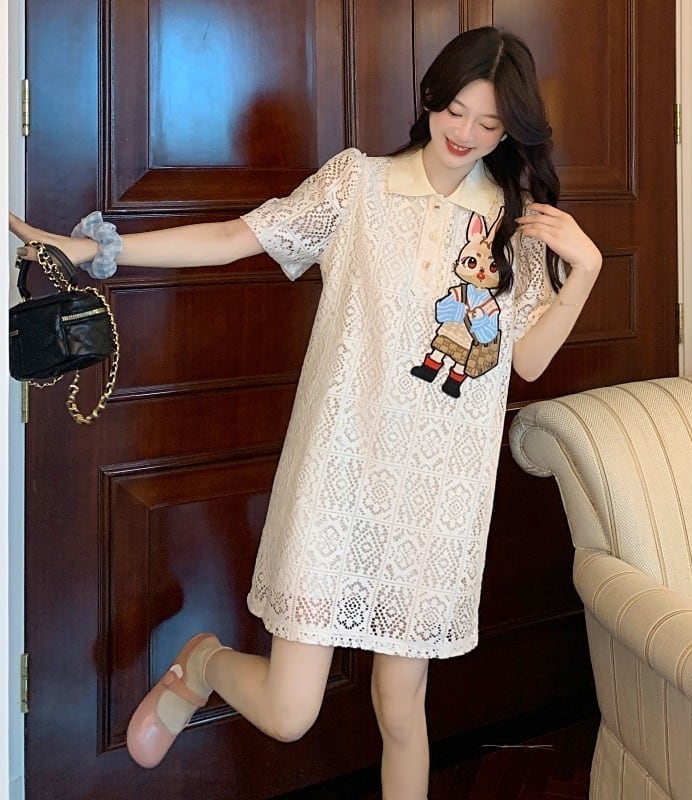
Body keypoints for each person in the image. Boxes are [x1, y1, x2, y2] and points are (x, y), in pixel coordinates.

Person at [10, 25, 601, 800]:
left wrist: (584, 271)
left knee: (402, 708)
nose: (465, 134)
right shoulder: (359, 185)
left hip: (435, 501)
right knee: (291, 713)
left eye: (489, 123)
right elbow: (235, 237)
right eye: (456, 111)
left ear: (510, 131)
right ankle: (202, 662)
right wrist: (96, 251)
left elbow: (527, 360)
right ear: (431, 99)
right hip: (338, 478)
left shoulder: (513, 223)